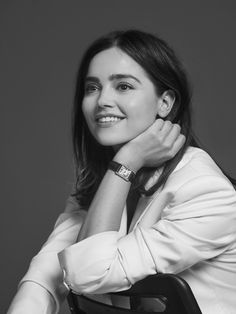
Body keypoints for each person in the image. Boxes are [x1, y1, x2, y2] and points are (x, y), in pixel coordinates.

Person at [8, 29, 236, 314]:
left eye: (123, 86)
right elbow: (46, 275)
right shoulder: (104, 179)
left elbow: (88, 274)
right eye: (92, 87)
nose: (102, 100)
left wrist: (126, 162)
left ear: (165, 103)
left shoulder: (206, 191)